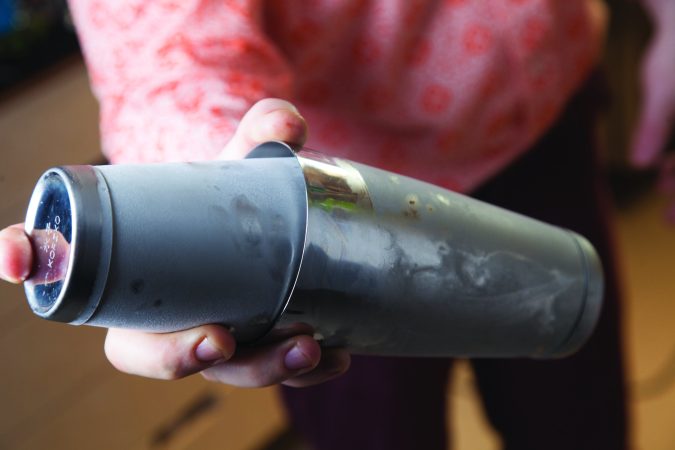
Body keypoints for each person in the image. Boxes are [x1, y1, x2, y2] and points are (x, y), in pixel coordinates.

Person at [1, 0, 674, 448]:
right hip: (339, 234)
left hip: (542, 116)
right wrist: (219, 194)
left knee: (576, 416)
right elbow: (168, 58)